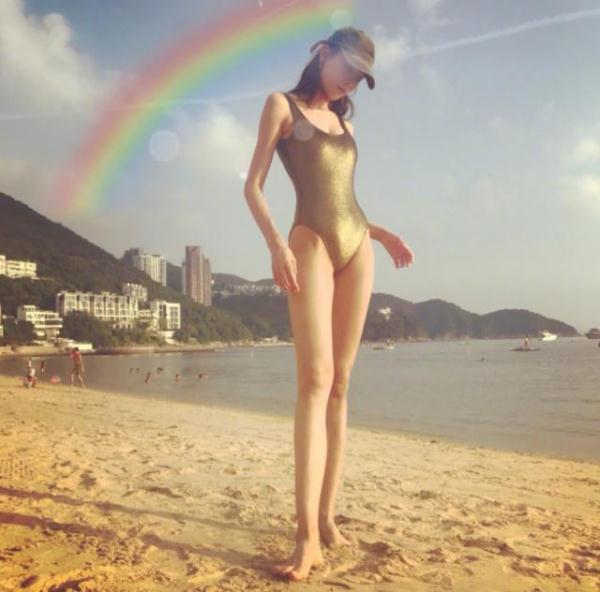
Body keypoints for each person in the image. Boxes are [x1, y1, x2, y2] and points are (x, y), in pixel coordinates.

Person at [243, 26, 414, 581]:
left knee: (341, 384)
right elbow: (253, 186)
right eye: (349, 70)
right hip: (309, 242)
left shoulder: (346, 124)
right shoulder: (282, 105)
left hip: (357, 246)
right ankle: (305, 537)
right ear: (323, 52)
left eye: (361, 80)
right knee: (314, 381)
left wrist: (380, 233)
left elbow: (345, 197)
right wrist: (276, 245)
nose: (352, 84)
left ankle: (326, 515)